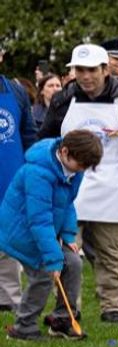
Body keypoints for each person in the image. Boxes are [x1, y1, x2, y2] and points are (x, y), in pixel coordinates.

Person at [38, 43, 118, 323]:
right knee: (66, 251)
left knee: (112, 253)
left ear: (105, 70)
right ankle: (67, 306)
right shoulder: (63, 100)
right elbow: (46, 142)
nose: (86, 76)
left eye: (92, 70)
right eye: (80, 70)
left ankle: (112, 307)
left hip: (112, 187)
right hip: (68, 189)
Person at [0, 130, 102, 340]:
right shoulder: (38, 173)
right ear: (64, 152)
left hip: (43, 229)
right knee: (44, 275)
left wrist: (68, 235)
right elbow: (39, 220)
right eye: (81, 165)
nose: (82, 170)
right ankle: (24, 327)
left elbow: (66, 203)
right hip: (21, 232)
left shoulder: (75, 170)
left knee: (73, 263)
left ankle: (62, 320)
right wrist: (53, 259)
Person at [0, 58, 38, 312]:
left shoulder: (15, 91)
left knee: (6, 241)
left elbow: (28, 135)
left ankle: (7, 298)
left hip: (10, 178)